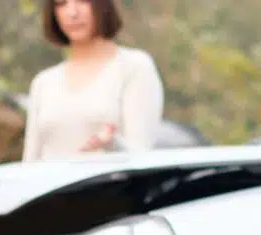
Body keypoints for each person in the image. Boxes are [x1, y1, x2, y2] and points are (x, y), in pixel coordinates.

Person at [21, 0, 165, 162]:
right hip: (53, 186)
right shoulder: (43, 82)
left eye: (82, 1)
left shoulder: (134, 67)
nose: (72, 13)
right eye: (61, 3)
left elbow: (143, 157)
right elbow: (29, 164)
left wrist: (112, 145)